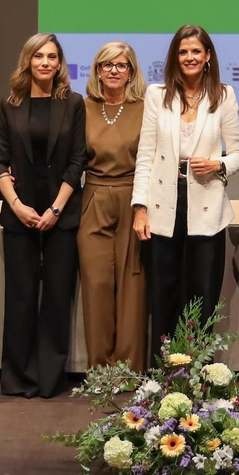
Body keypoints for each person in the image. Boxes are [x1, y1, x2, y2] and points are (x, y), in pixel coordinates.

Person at [132, 26, 239, 346]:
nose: (189, 57)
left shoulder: (223, 95)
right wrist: (140, 208)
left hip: (206, 202)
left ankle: (197, 376)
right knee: (164, 293)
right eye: (183, 52)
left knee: (202, 294)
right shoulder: (157, 95)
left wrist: (219, 164)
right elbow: (145, 156)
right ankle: (165, 378)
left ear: (207, 56)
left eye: (196, 51)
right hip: (163, 203)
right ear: (175, 57)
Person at [0, 33, 87, 398]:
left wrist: (56, 209)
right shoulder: (9, 104)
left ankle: (49, 379)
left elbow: (78, 160)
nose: (45, 62)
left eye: (52, 57)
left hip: (61, 215)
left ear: (60, 64)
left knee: (57, 299)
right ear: (27, 61)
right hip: (20, 214)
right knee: (20, 298)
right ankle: (18, 378)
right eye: (38, 56)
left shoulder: (73, 103)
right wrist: (16, 204)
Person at [79, 41, 148, 369]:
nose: (113, 71)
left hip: (133, 199)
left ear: (131, 71)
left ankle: (129, 370)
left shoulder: (146, 107)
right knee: (96, 285)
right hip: (93, 196)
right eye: (107, 65)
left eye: (121, 65)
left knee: (132, 287)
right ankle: (101, 371)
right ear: (97, 70)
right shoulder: (83, 107)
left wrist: (142, 207)